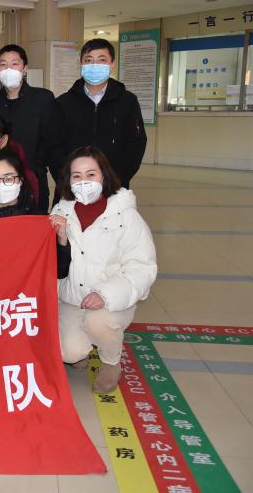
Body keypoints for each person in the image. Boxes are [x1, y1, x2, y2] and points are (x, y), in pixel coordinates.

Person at [50, 146, 156, 393]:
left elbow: (142, 266)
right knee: (68, 352)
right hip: (72, 299)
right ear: (68, 180)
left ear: (104, 176)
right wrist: (61, 240)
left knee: (98, 322)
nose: (83, 182)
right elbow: (51, 262)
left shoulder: (125, 215)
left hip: (112, 302)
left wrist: (106, 294)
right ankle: (81, 349)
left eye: (91, 174)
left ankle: (111, 363)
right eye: (77, 176)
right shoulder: (60, 212)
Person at [57, 38, 147, 188]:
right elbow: (55, 146)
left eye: (101, 60)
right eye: (88, 60)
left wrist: (115, 180)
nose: (94, 65)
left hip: (114, 187)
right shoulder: (63, 102)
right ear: (81, 64)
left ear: (112, 65)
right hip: (72, 186)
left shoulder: (127, 101)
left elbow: (135, 145)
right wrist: (67, 179)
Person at [0, 44, 63, 211]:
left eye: (14, 63)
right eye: (3, 64)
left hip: (33, 179)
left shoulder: (42, 99)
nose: (9, 69)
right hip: (0, 182)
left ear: (25, 68)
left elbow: (53, 143)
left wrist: (61, 180)